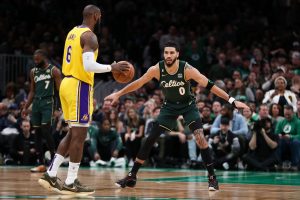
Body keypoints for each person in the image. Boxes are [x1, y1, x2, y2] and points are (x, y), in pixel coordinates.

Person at [105, 40, 249, 191]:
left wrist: (233, 101)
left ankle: (212, 177)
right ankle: (132, 175)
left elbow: (210, 85)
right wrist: (119, 93)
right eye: (166, 52)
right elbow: (139, 83)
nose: (168, 55)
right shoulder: (157, 69)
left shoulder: (187, 69)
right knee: (150, 138)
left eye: (171, 53)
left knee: (200, 137)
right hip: (169, 107)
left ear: (177, 54)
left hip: (188, 106)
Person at [38, 5, 129, 195]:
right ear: (96, 16)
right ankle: (71, 182)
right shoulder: (90, 36)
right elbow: (88, 65)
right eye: (100, 15)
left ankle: (51, 173)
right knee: (80, 136)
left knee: (72, 133)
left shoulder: (72, 32)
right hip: (79, 85)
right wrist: (112, 67)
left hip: (67, 83)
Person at [22, 49, 62, 172]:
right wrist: (26, 106)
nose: (35, 62)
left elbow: (60, 90)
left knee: (46, 130)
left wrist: (58, 107)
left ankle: (53, 159)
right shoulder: (33, 72)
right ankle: (41, 162)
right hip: (36, 104)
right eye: (34, 59)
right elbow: (32, 91)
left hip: (48, 102)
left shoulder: (54, 70)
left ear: (44, 58)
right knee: (37, 132)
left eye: (38, 59)